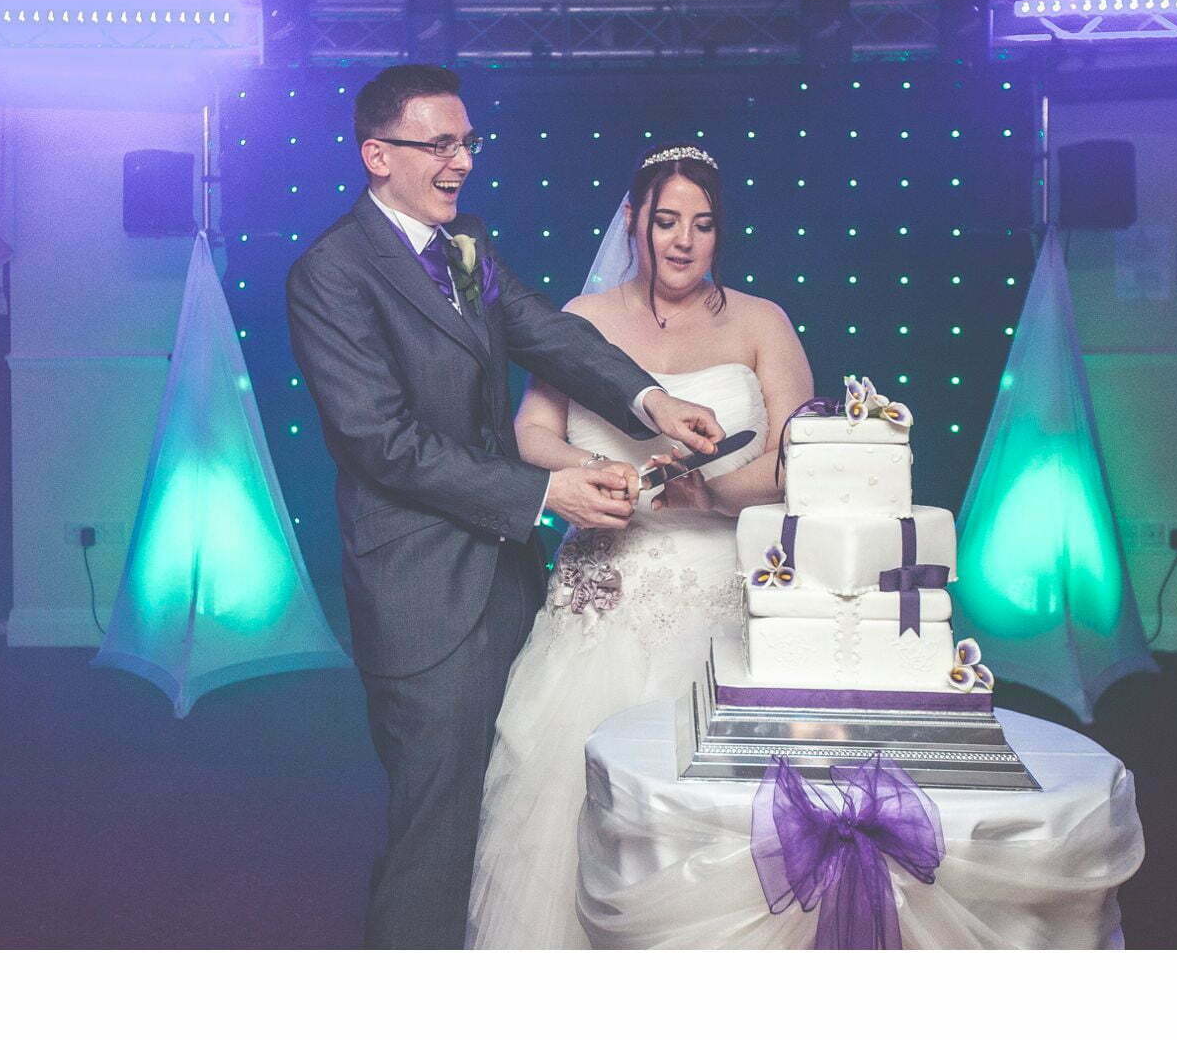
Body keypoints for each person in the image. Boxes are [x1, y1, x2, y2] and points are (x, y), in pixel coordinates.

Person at [284, 67, 727, 949]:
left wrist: (652, 401)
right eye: (438, 144)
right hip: (421, 592)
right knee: (434, 833)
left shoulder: (468, 242)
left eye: (467, 143)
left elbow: (548, 333)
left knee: (504, 816)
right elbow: (383, 442)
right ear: (377, 154)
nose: (461, 162)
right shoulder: (329, 273)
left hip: (507, 578)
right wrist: (545, 491)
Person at [467, 143, 815, 949]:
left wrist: (713, 491)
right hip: (600, 593)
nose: (684, 240)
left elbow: (798, 456)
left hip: (717, 594)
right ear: (634, 221)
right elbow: (530, 432)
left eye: (703, 224)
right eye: (666, 221)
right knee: (562, 802)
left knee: (707, 818)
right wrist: (588, 473)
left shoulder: (762, 322)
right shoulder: (581, 320)